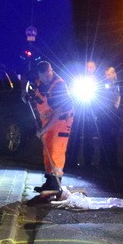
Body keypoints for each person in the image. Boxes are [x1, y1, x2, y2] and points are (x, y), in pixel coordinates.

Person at [31, 61, 73, 194]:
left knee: (55, 149)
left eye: (48, 75)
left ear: (51, 70)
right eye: (42, 76)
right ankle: (49, 181)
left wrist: (44, 129)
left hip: (61, 120)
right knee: (47, 149)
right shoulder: (39, 81)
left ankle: (55, 182)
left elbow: (58, 111)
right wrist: (25, 93)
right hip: (48, 120)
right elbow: (26, 79)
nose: (46, 78)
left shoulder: (58, 86)